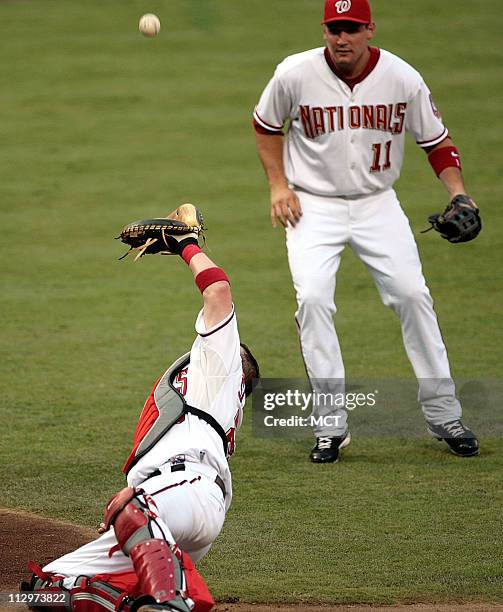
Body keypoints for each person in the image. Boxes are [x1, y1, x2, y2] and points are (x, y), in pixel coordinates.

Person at [253, 0, 479, 463]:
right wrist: (278, 185)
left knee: (413, 295)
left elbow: (436, 142)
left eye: (351, 28)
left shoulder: (402, 77)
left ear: (369, 29)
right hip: (312, 205)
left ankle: (444, 414)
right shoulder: (294, 73)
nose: (342, 38)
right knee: (313, 299)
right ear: (324, 30)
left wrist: (460, 195)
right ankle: (330, 427)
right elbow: (265, 126)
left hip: (378, 204)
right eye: (334, 28)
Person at [21, 204, 260, 612]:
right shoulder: (206, 391)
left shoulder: (221, 365)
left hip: (188, 492)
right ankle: (143, 601)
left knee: (131, 509)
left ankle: (169, 602)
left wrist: (186, 244)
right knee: (42, 590)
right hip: (171, 504)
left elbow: (217, 291)